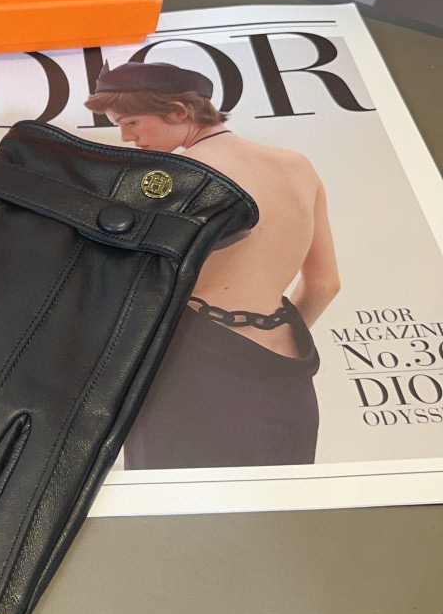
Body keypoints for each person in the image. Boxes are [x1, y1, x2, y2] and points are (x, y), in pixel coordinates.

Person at [85, 60, 341, 469]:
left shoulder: (175, 179)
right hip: (288, 371)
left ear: (178, 112)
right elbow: (325, 284)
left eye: (130, 122)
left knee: (178, 501)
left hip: (188, 371)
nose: (126, 137)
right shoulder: (298, 165)